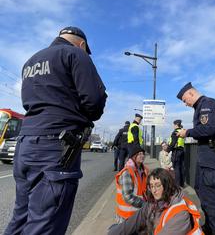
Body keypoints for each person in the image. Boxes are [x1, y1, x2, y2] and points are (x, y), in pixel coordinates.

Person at [5, 26, 107, 235]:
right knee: (45, 225)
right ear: (82, 44)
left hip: (26, 144)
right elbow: (94, 102)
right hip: (56, 148)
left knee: (21, 218)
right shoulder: (75, 54)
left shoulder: (31, 61)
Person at [176, 82, 215, 235]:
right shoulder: (200, 107)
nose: (185, 104)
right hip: (205, 157)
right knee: (202, 192)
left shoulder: (207, 103)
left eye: (185, 100)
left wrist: (187, 132)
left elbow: (208, 129)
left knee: (211, 198)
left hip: (211, 158)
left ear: (191, 93)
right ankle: (210, 227)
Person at [108, 168, 204, 235]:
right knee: (115, 228)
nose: (154, 190)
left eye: (158, 185)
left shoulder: (180, 213)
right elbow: (131, 223)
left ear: (167, 185)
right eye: (151, 186)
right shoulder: (153, 204)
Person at [115, 146, 148, 223]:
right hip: (126, 217)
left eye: (143, 154)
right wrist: (146, 204)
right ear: (133, 156)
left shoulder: (144, 170)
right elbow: (127, 197)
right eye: (139, 154)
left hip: (138, 214)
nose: (142, 155)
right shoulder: (127, 172)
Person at [167, 119, 185, 187]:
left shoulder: (175, 132)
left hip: (176, 151)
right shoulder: (182, 131)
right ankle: (182, 184)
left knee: (176, 168)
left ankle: (177, 185)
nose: (173, 126)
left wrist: (167, 151)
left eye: (174, 125)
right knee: (181, 167)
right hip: (182, 150)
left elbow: (173, 142)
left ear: (176, 125)